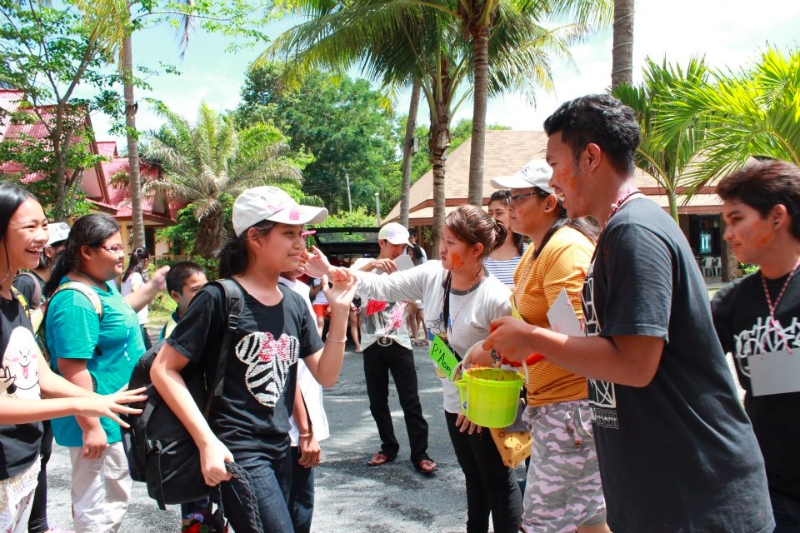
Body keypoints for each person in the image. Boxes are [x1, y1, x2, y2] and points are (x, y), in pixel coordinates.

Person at [483, 94, 774, 532]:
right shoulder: (618, 230)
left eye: (556, 164)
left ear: (591, 157)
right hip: (659, 488)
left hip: (694, 492)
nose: (554, 180)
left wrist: (531, 338)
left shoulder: (634, 230)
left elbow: (636, 364)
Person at [150, 186, 357, 533]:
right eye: (288, 233)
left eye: (301, 234)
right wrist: (206, 442)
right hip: (237, 451)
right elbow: (164, 369)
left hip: (281, 446)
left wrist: (340, 312)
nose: (300, 245)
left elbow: (327, 375)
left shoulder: (294, 303)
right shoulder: (219, 297)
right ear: (255, 238)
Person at [309, 206, 522, 533]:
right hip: (454, 401)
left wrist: (479, 399)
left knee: (497, 480)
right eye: (443, 240)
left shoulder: (495, 298)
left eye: (451, 243)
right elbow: (381, 286)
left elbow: (514, 357)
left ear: (476, 250)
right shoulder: (434, 275)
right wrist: (332, 270)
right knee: (473, 476)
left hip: (484, 407)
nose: (442, 248)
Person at [0, 183, 145, 533]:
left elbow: (44, 377)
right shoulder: (73, 298)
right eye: (30, 227)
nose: (43, 237)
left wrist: (99, 401)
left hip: (22, 461)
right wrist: (87, 410)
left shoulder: (14, 297)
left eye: (44, 225)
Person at [487, 160, 608, 532]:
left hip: (571, 407)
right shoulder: (535, 251)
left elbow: (578, 340)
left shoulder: (565, 250)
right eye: (508, 197)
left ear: (549, 202)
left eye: (517, 197)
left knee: (542, 522)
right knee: (589, 519)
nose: (508, 206)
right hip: (557, 407)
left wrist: (503, 350)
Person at [43, 214, 169, 533]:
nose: (121, 254)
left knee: (113, 498)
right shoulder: (75, 300)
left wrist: (154, 286)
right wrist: (92, 427)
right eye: (113, 248)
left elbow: (121, 314)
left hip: (112, 415)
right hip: (97, 420)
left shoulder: (104, 287)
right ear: (86, 252)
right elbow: (72, 370)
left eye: (121, 246)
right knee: (98, 507)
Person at [711, 159, 800, 532]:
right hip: (768, 488)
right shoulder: (731, 302)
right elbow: (695, 370)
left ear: (777, 217)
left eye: (736, 219)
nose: (728, 234)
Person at [349, 222, 436, 474]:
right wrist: (373, 266)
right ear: (382, 243)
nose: (399, 251)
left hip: (399, 342)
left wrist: (409, 301)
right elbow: (346, 280)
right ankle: (388, 447)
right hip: (371, 343)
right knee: (378, 402)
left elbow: (414, 306)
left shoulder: (406, 269)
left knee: (411, 401)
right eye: (395, 246)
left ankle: (420, 453)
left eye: (403, 247)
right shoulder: (363, 265)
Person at [12, 221, 71, 533]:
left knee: (40, 457)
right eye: (65, 247)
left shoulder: (46, 285)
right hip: (24, 385)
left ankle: (38, 525)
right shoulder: (25, 283)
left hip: (40, 380)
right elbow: (21, 335)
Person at [159, 262, 210, 528]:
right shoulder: (173, 332)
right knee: (197, 501)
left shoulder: (207, 319)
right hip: (191, 425)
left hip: (209, 418)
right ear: (175, 296)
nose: (205, 296)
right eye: (196, 291)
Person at [279, 267, 330, 533]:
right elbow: (287, 372)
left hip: (300, 424)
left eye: (304, 245)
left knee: (300, 506)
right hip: (290, 429)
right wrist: (305, 431)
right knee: (289, 509)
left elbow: (324, 371)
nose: (301, 250)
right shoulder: (277, 294)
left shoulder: (298, 289)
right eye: (294, 246)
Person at [484, 189, 525, 288]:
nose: (493, 218)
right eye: (490, 213)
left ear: (513, 215)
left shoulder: (530, 253)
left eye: (499, 213)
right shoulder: (479, 254)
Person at [121, 247, 153, 349]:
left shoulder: (127, 275)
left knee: (149, 351)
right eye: (149, 259)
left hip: (132, 318)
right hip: (137, 319)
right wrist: (146, 297)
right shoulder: (136, 276)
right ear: (145, 260)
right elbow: (135, 290)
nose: (149, 262)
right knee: (142, 352)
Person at [405, 230, 427, 346]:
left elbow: (424, 271)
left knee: (422, 315)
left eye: (411, 251)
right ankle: (415, 337)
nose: (409, 252)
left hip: (419, 289)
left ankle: (427, 337)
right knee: (411, 315)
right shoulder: (406, 257)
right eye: (408, 250)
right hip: (410, 290)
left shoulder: (421, 254)